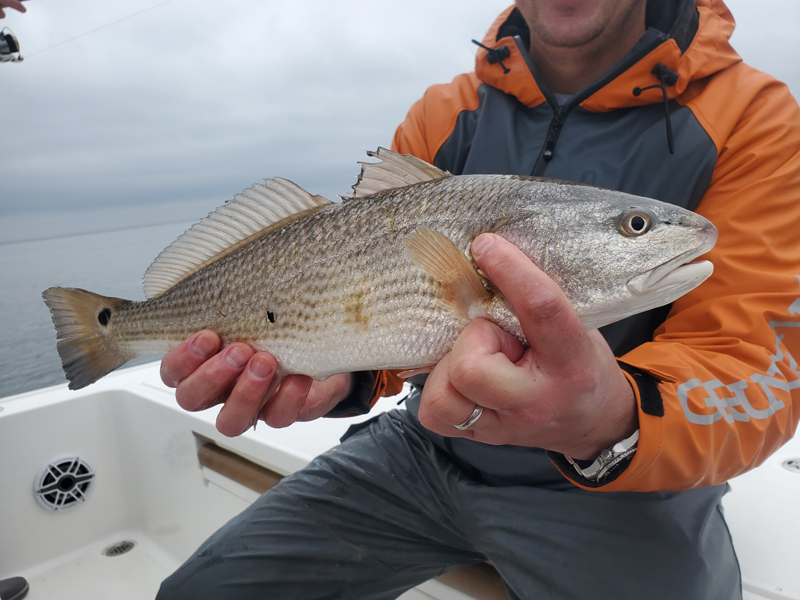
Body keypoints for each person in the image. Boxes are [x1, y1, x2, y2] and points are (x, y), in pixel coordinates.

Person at [157, 0, 800, 598]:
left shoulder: (752, 118)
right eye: (634, 226)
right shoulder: (446, 111)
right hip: (423, 448)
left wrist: (608, 419)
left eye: (631, 226)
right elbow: (365, 291)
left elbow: (751, 359)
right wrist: (343, 374)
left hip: (618, 488)